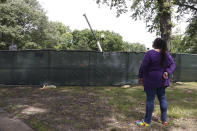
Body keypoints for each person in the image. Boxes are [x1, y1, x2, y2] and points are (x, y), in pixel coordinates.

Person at [136, 38, 176, 127]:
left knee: (150, 100)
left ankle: (147, 122)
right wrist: (167, 72)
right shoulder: (166, 54)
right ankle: (164, 120)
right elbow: (173, 65)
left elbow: (144, 66)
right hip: (162, 81)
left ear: (155, 44)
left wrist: (140, 76)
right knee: (162, 99)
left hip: (150, 80)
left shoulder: (150, 53)